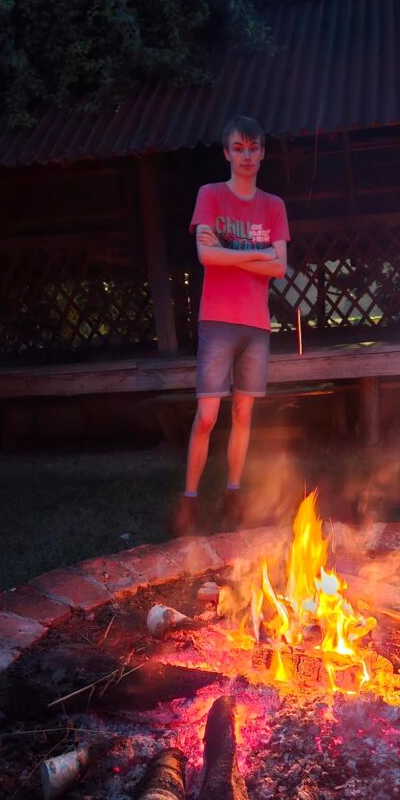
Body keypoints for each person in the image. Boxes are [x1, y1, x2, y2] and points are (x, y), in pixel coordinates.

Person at [171, 116, 290, 535]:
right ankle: (188, 501)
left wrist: (232, 252)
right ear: (227, 153)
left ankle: (233, 494)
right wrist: (257, 255)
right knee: (206, 415)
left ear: (262, 153)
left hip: (255, 324)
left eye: (253, 148)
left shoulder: (273, 206)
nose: (246, 155)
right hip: (217, 321)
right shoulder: (211, 196)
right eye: (238, 148)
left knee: (243, 413)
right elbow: (206, 257)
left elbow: (280, 267)